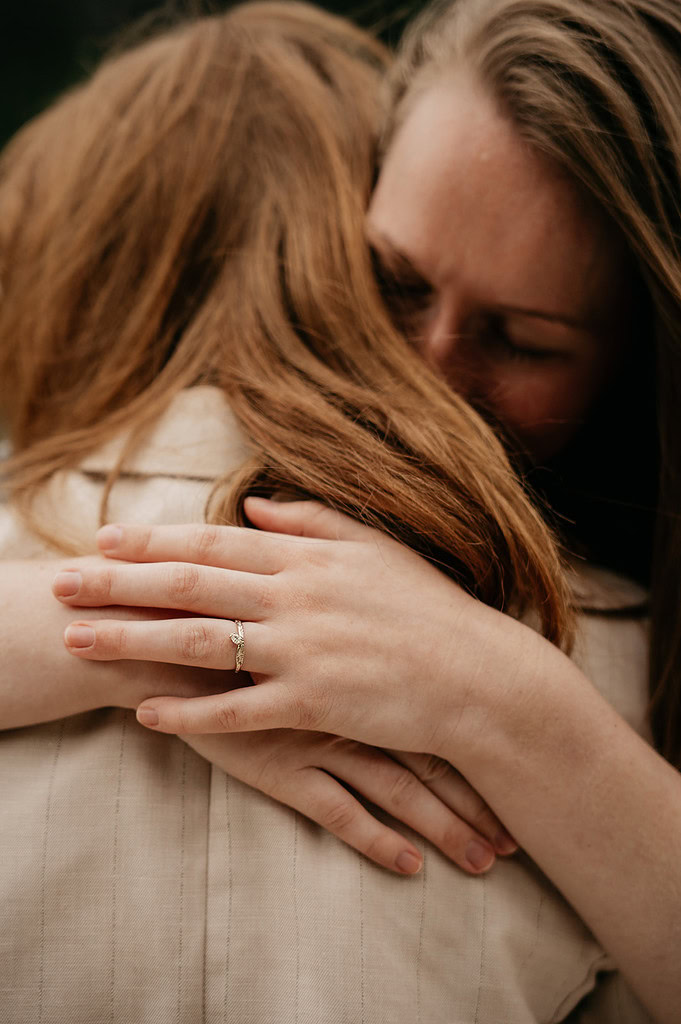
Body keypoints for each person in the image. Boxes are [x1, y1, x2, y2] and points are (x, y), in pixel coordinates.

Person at [0, 3, 649, 1021]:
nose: (427, 373)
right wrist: (166, 643)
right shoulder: (622, 655)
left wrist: (509, 698)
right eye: (391, 282)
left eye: (524, 337)